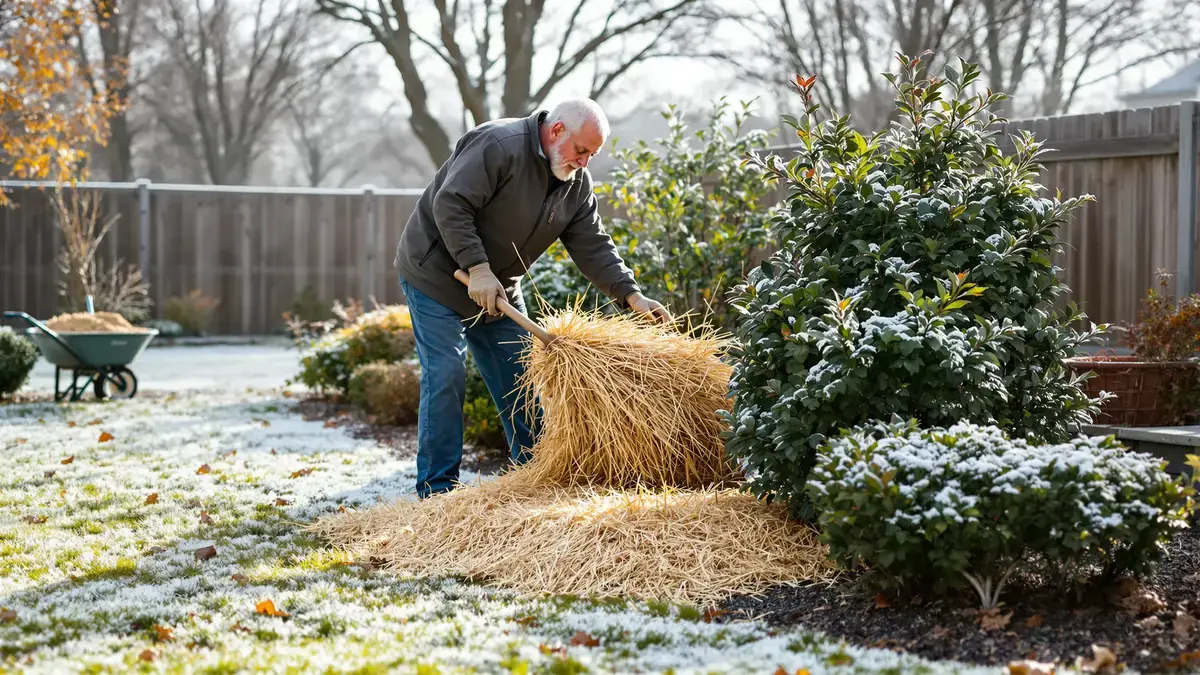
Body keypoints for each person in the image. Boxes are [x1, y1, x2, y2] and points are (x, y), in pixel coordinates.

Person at [393, 97, 671, 499]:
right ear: (557, 130)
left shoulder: (576, 184)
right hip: (436, 273)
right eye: (581, 150)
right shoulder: (498, 145)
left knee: (520, 379)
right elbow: (450, 203)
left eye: (592, 155)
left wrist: (631, 295)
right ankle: (438, 492)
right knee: (446, 374)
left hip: (498, 287)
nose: (584, 162)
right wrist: (478, 268)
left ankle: (535, 478)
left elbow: (593, 244)